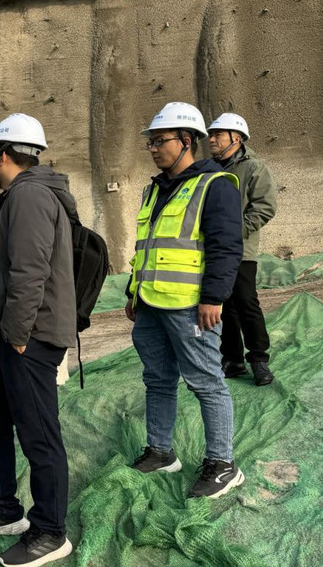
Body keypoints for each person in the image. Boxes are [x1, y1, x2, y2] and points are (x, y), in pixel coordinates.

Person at [0, 113, 77, 567]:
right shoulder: (22, 195)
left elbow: (30, 271)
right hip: (12, 333)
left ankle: (50, 530)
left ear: (4, 154)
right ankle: (5, 507)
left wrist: (18, 335)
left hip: (29, 335)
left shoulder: (29, 195)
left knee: (38, 433)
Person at [125, 102, 245, 499]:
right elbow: (146, 246)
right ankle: (161, 451)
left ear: (187, 141)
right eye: (151, 142)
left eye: (160, 141)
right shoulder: (153, 189)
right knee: (157, 380)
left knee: (207, 383)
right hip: (150, 303)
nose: (153, 148)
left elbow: (226, 247)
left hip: (191, 306)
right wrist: (133, 291)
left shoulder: (216, 185)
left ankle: (223, 464)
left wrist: (213, 297)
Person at [207, 113, 277, 385]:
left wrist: (234, 234)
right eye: (211, 135)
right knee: (223, 305)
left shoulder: (254, 168)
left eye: (218, 135)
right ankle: (232, 360)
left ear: (236, 138)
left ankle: (258, 359)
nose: (211, 139)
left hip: (241, 250)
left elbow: (264, 207)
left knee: (246, 302)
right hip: (213, 251)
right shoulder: (209, 169)